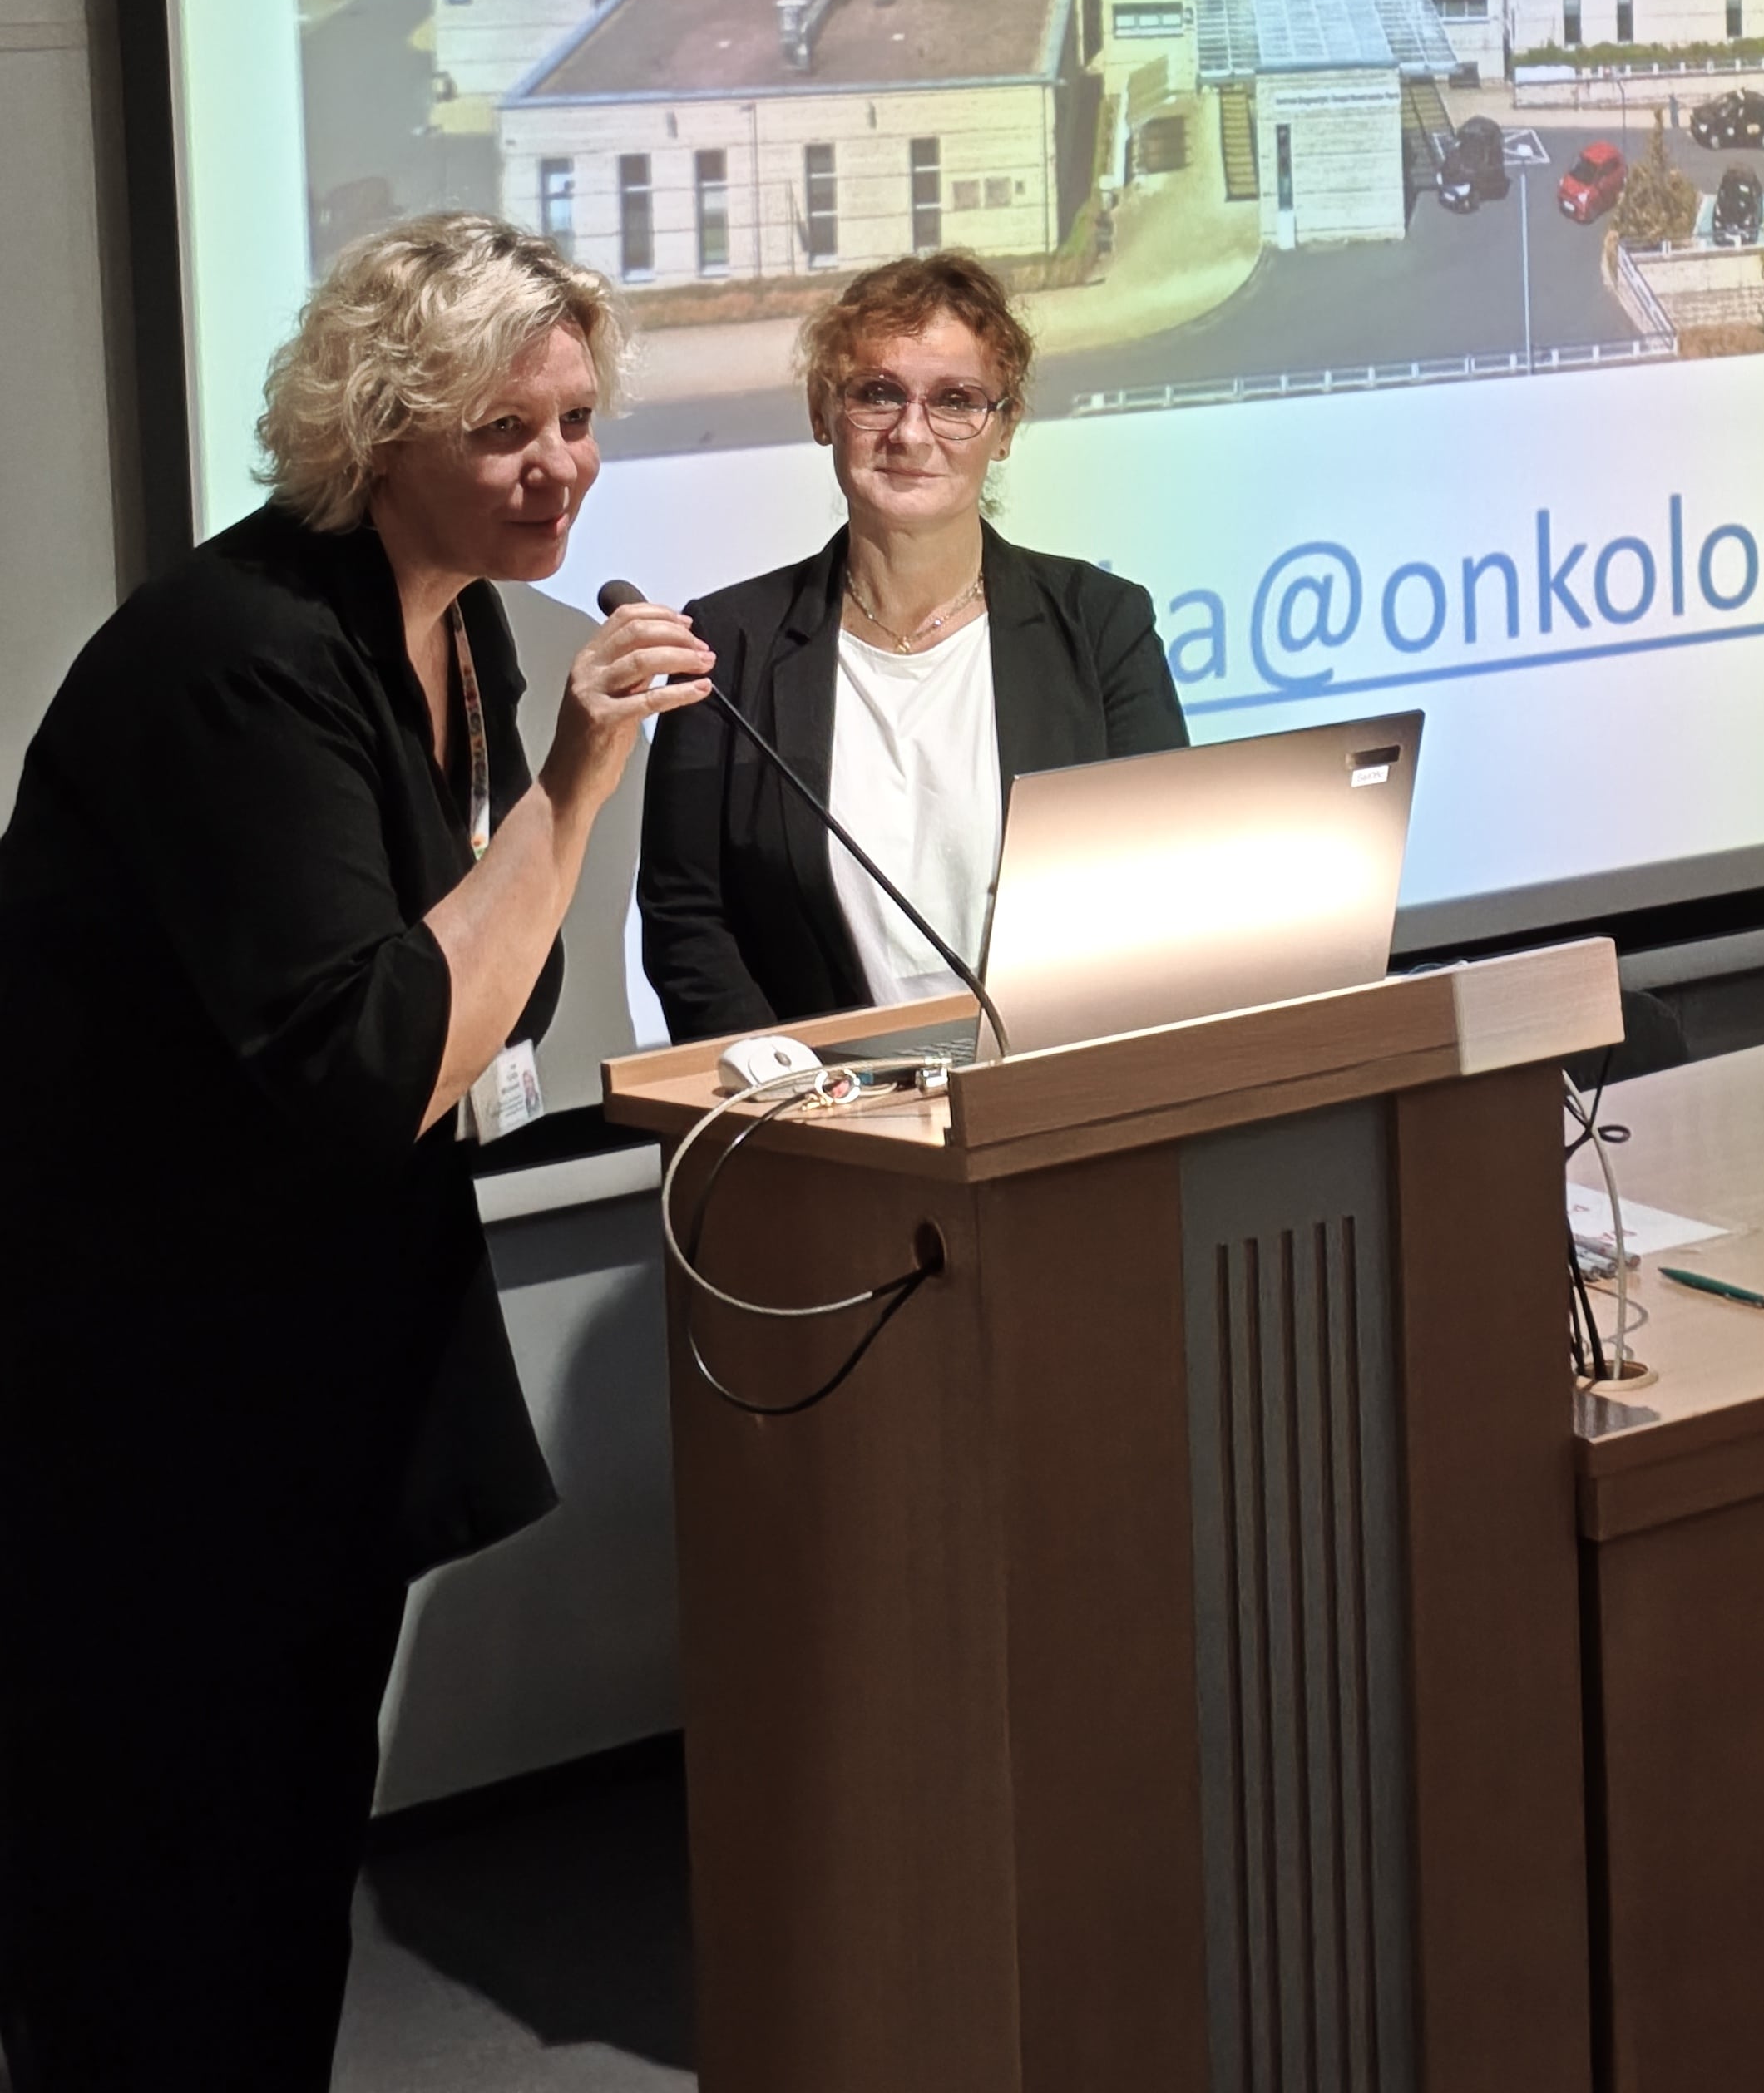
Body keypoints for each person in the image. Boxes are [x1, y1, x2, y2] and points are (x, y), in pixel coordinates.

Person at [0, 214, 712, 2092]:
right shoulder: (236, 657)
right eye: (504, 430)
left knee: (277, 1890)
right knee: (157, 1916)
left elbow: (495, 988)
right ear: (378, 429)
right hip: (151, 1404)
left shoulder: (460, 626)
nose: (557, 467)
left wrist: (540, 809)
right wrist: (577, 787)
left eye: (577, 420)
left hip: (315, 1364)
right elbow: (379, 1056)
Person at [639, 249, 1185, 1039]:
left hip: (1059, 1079)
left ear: (1004, 429)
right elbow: (687, 920)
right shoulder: (727, 645)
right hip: (821, 1102)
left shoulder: (1102, 626)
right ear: (823, 413)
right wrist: (792, 1089)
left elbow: (1163, 876)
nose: (911, 432)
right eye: (878, 394)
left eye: (956, 400)